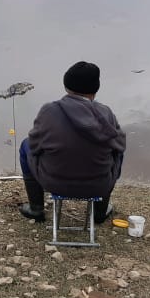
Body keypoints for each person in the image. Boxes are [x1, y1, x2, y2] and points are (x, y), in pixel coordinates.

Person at [18, 61, 126, 222]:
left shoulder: (49, 111)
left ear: (66, 84)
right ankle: (99, 213)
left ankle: (36, 209)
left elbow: (34, 145)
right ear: (96, 88)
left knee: (25, 145)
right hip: (99, 186)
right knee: (117, 152)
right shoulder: (105, 113)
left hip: (52, 183)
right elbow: (120, 146)